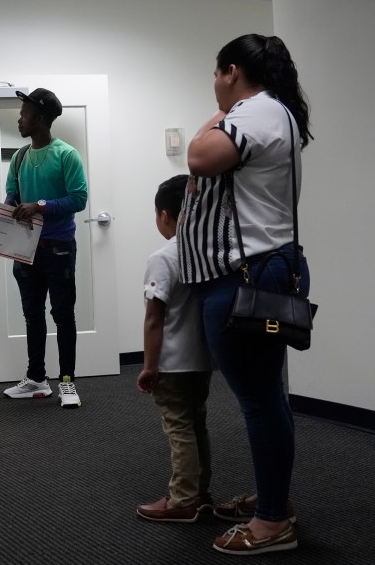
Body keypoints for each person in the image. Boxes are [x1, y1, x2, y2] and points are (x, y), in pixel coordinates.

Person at [180, 34, 312, 554]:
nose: (214, 86)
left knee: (259, 400)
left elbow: (198, 157)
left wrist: (218, 114)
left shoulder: (256, 112)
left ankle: (273, 521)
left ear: (231, 71)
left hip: (249, 275)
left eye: (216, 75)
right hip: (252, 271)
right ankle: (272, 498)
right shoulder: (270, 113)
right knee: (264, 396)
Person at [135, 175, 214, 523]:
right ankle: (200, 494)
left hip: (172, 361)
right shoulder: (208, 253)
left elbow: (154, 319)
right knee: (197, 424)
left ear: (165, 215)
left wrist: (149, 366)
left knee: (178, 428)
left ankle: (183, 500)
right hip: (203, 358)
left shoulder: (163, 257)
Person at [1, 88, 88, 408]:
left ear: (39, 119)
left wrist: (39, 205)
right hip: (25, 249)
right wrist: (10, 208)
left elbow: (78, 200)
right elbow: (11, 193)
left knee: (63, 315)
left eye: (24, 114)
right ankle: (37, 378)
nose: (19, 119)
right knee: (32, 315)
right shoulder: (20, 156)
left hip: (58, 248)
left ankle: (67, 382)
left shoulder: (67, 154)